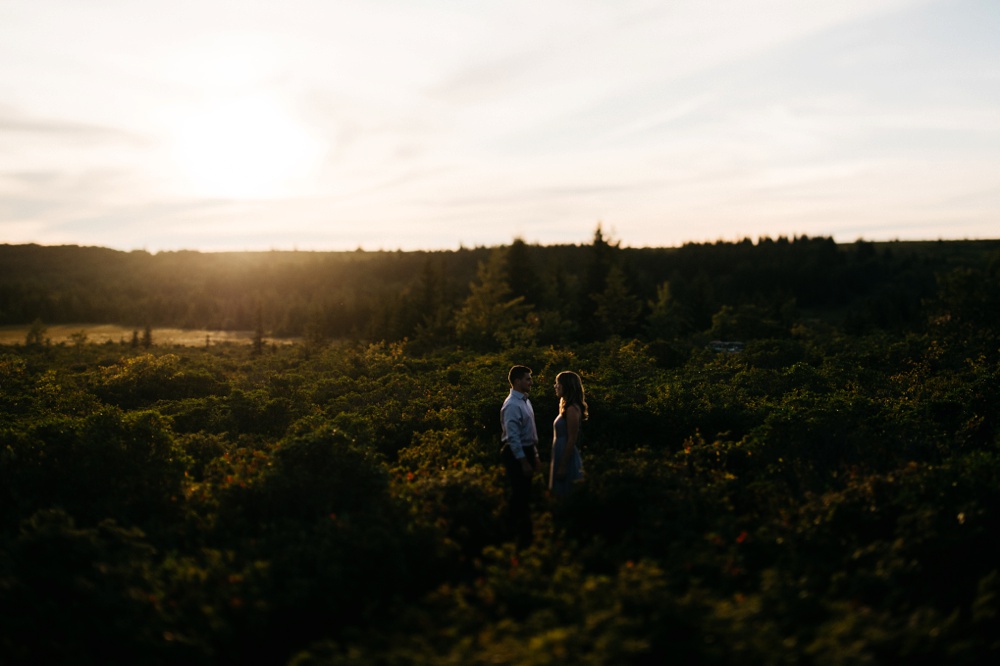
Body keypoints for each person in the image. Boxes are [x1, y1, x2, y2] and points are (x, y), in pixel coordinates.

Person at [500, 364, 541, 548]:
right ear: (517, 382)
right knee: (519, 495)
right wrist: (523, 461)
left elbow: (530, 432)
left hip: (527, 451)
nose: (531, 382)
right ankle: (516, 536)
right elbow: (513, 438)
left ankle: (521, 533)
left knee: (525, 494)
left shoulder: (525, 400)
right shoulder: (512, 405)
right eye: (527, 379)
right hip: (517, 454)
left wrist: (535, 454)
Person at [549, 371, 587, 498]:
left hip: (566, 455)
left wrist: (563, 465)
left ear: (566, 386)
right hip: (560, 452)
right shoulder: (566, 407)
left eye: (558, 383)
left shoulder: (572, 409)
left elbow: (572, 439)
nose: (555, 386)